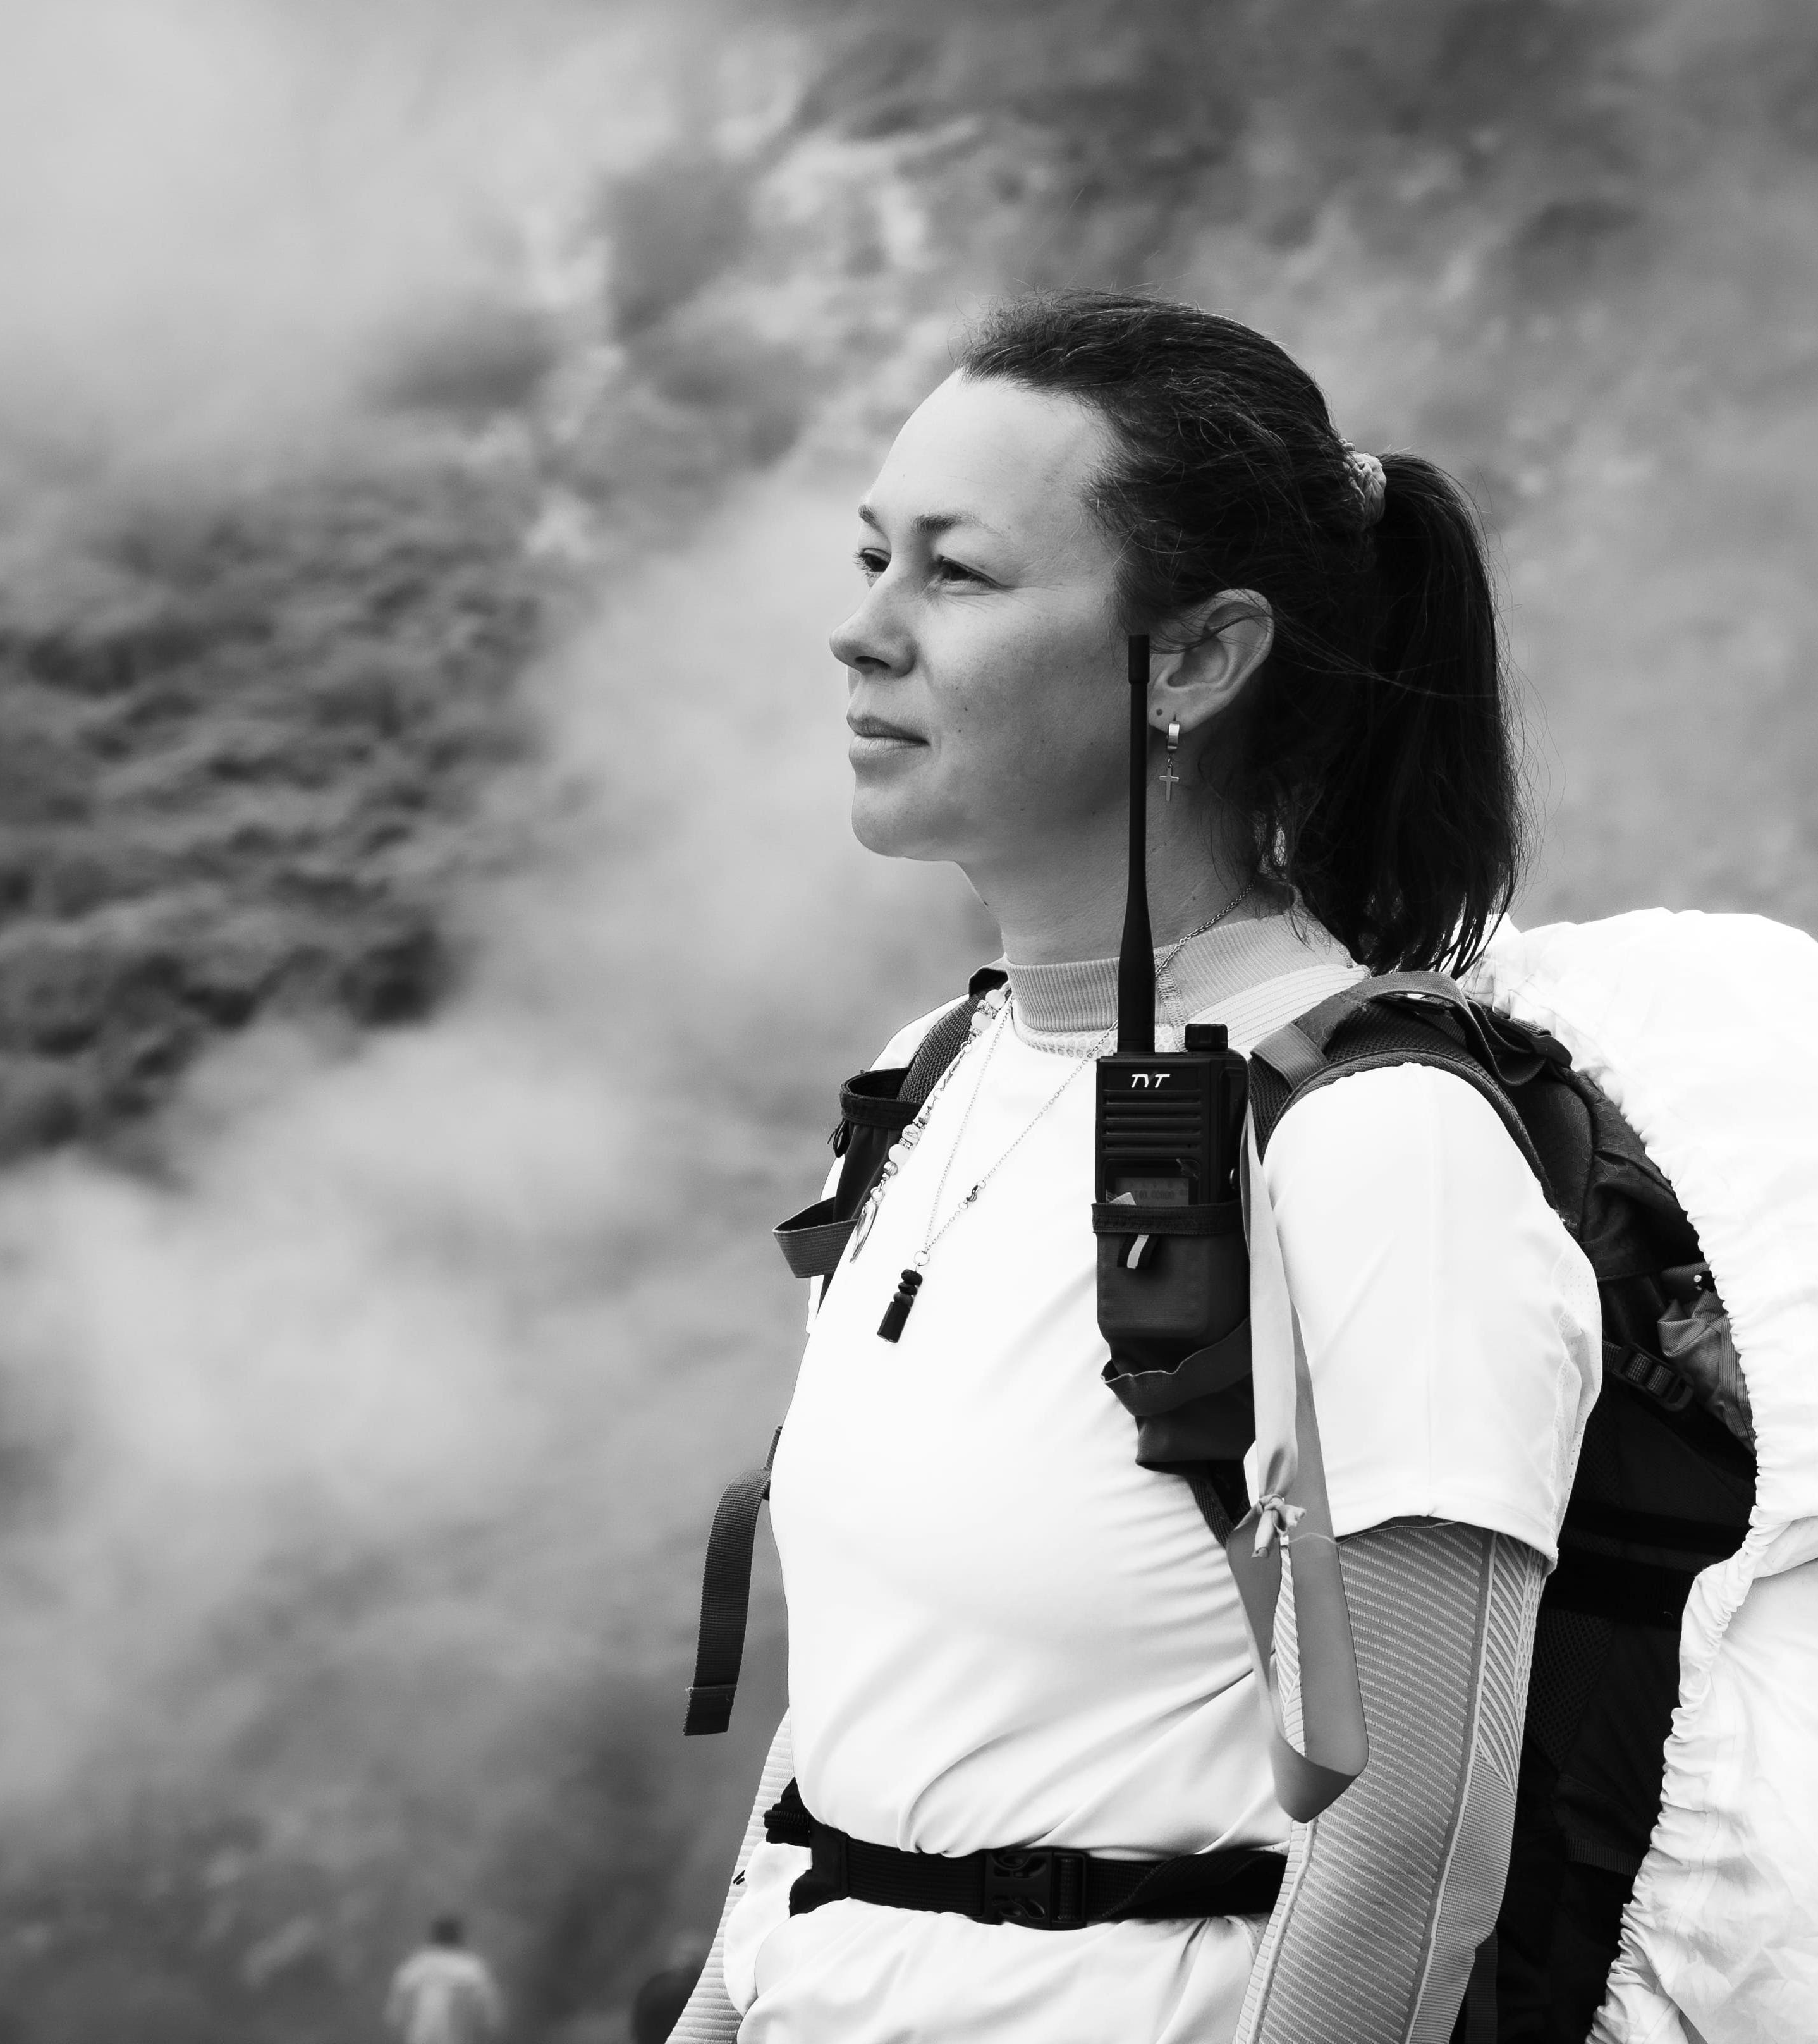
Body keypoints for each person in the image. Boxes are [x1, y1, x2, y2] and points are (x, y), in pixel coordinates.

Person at [670, 290, 1594, 2043]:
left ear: (1193, 660)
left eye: (955, 573)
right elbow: (865, 1724)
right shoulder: (928, 1080)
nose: (862, 633)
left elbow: (1407, 1843)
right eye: (871, 558)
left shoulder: (1373, 1146)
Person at [385, 1915, 504, 2044]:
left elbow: (395, 2017)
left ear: (432, 1936)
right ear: (460, 1937)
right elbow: (492, 2018)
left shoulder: (413, 1967)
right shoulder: (473, 1971)